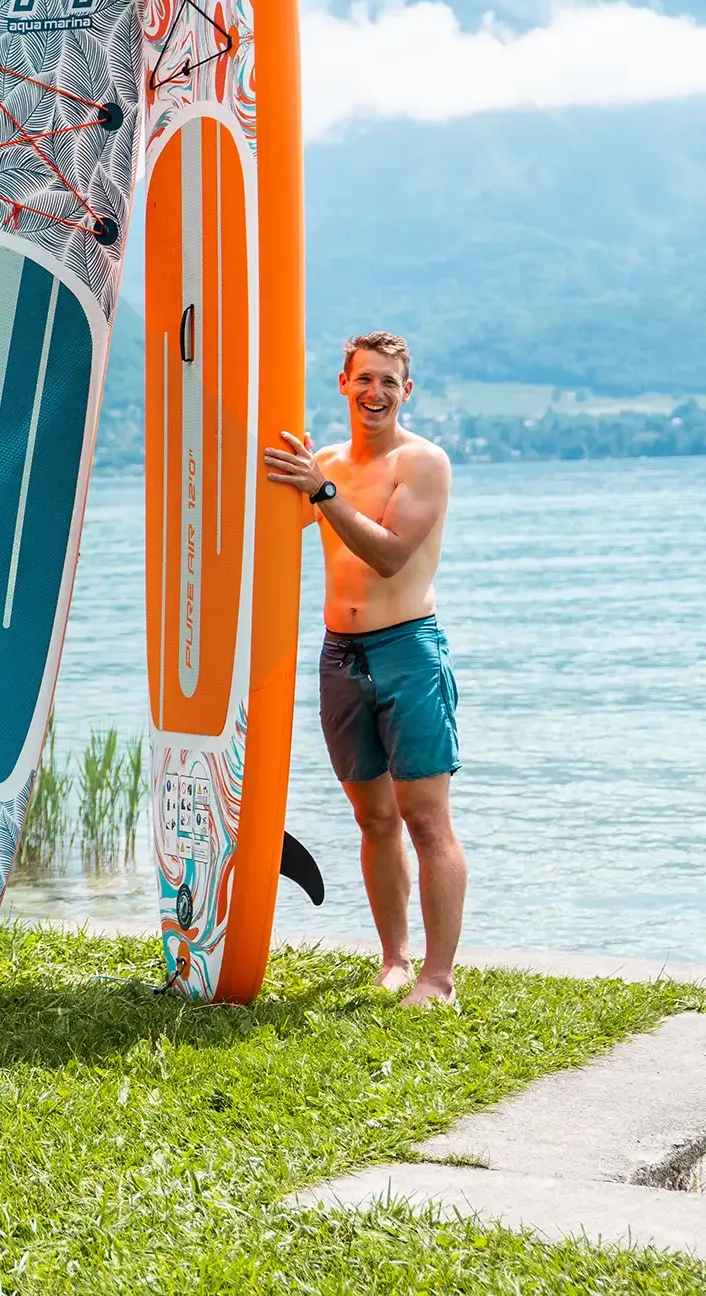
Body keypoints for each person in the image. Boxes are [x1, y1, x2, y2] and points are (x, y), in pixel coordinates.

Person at [264, 332, 464, 1009]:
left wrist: (321, 491)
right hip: (340, 655)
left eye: (388, 382)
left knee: (425, 820)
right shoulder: (322, 462)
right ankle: (395, 960)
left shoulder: (422, 462)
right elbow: (268, 526)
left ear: (407, 391)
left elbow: (388, 555)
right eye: (364, 379)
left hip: (408, 649)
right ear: (343, 384)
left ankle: (438, 978)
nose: (375, 392)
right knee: (374, 819)